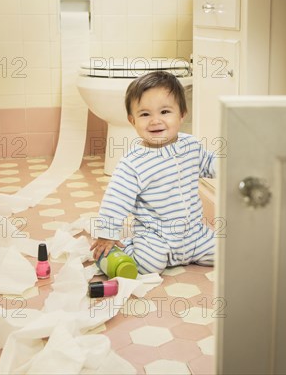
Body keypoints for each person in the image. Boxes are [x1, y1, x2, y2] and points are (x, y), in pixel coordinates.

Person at [90, 70, 217, 274]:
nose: (155, 120)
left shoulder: (191, 145)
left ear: (182, 114)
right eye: (145, 114)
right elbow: (116, 200)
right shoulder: (134, 163)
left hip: (195, 234)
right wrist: (106, 233)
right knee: (148, 265)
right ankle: (126, 249)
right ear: (132, 121)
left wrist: (233, 164)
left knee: (224, 253)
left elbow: (209, 163)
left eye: (165, 112)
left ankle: (195, 251)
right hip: (157, 237)